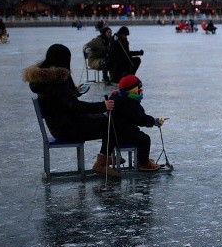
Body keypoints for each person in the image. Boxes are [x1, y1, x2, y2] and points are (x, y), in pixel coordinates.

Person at [22, 43, 120, 177]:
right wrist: (103, 106)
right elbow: (76, 106)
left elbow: (62, 100)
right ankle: (102, 163)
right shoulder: (57, 81)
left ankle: (106, 156)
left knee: (106, 119)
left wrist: (74, 91)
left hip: (60, 124)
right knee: (112, 124)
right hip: (68, 127)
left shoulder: (44, 80)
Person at [108, 74, 165, 172]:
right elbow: (140, 119)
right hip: (124, 134)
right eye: (138, 88)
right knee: (144, 139)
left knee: (140, 136)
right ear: (132, 89)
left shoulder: (117, 98)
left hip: (116, 133)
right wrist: (153, 121)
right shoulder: (130, 103)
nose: (140, 91)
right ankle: (143, 163)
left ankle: (141, 159)